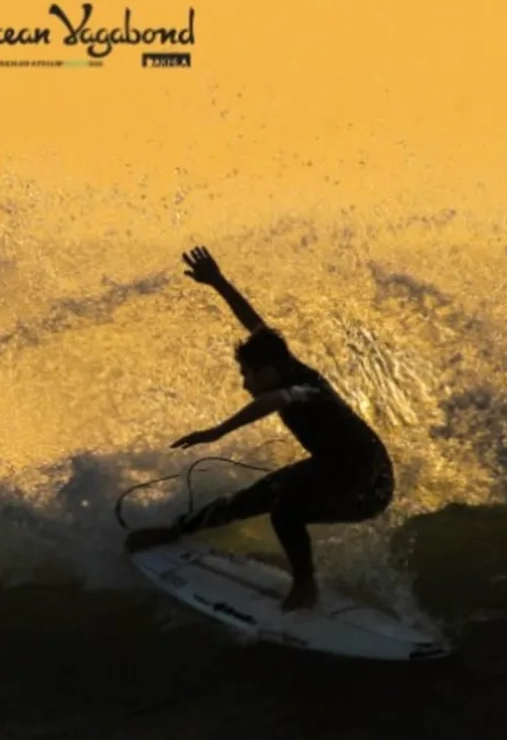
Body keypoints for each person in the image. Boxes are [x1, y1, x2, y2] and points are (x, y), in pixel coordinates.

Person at [124, 247, 396, 611]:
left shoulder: (304, 388)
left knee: (285, 511)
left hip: (368, 484)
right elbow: (256, 325)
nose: (244, 382)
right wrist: (218, 282)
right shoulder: (282, 362)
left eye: (246, 375)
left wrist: (217, 432)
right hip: (333, 468)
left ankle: (305, 587)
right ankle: (176, 531)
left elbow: (276, 400)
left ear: (267, 373)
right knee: (253, 497)